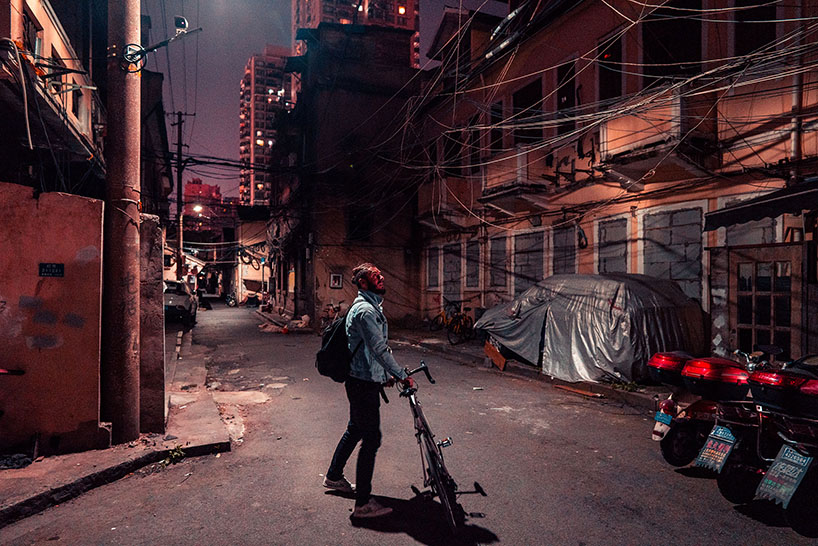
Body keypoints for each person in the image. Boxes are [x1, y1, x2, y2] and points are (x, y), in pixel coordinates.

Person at [323, 263, 415, 519]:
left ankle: (333, 476)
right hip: (362, 383)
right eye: (376, 276)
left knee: (355, 429)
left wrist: (383, 376)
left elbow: (368, 352)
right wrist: (401, 375)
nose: (381, 277)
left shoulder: (370, 307)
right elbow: (378, 349)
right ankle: (362, 503)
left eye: (380, 274)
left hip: (362, 380)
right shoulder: (365, 311)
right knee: (371, 438)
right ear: (364, 283)